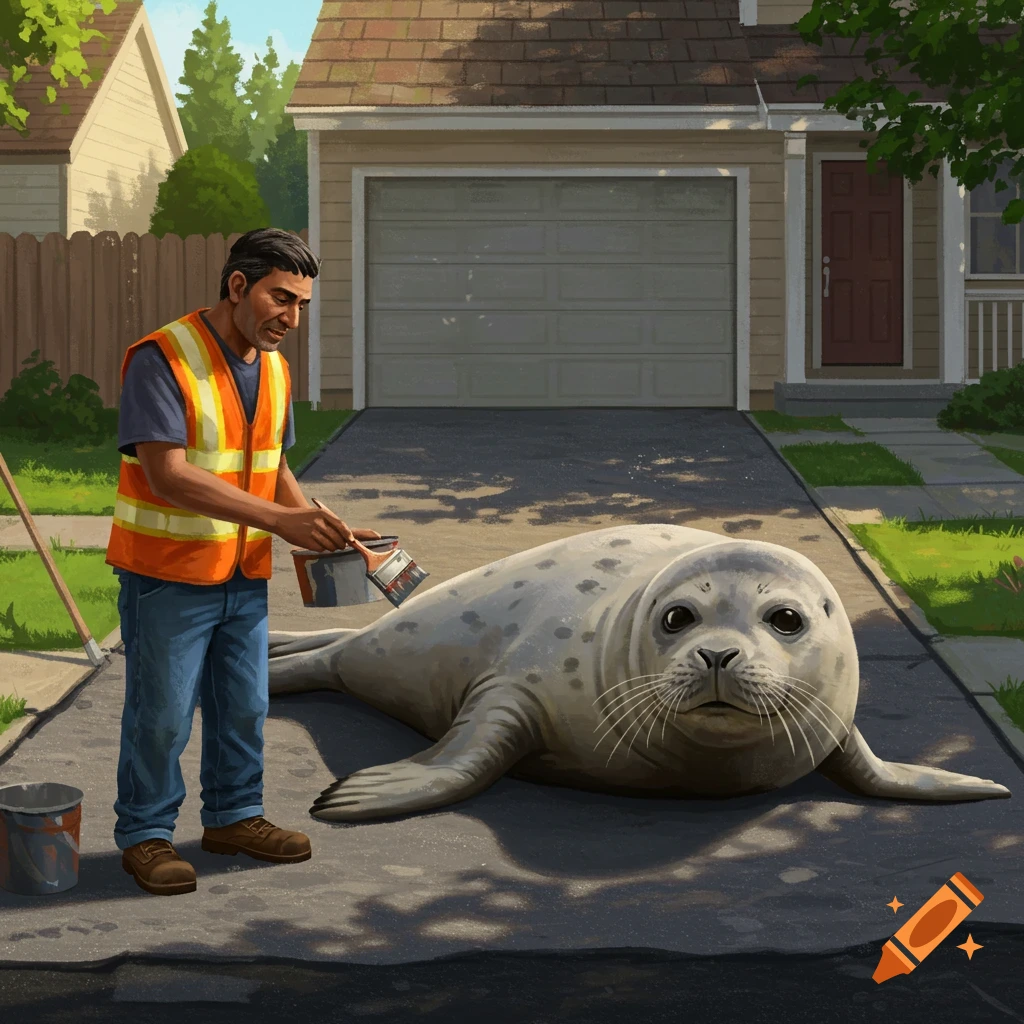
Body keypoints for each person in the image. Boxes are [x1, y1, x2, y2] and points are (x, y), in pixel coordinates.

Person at [106, 228, 379, 896]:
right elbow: (168, 475)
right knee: (162, 714)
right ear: (237, 286)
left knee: (243, 707)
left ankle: (233, 818)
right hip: (167, 573)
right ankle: (146, 835)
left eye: (301, 305)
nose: (290, 317)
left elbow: (272, 465)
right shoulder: (161, 358)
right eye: (280, 298)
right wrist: (283, 521)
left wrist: (318, 522)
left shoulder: (276, 370)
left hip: (243, 574)